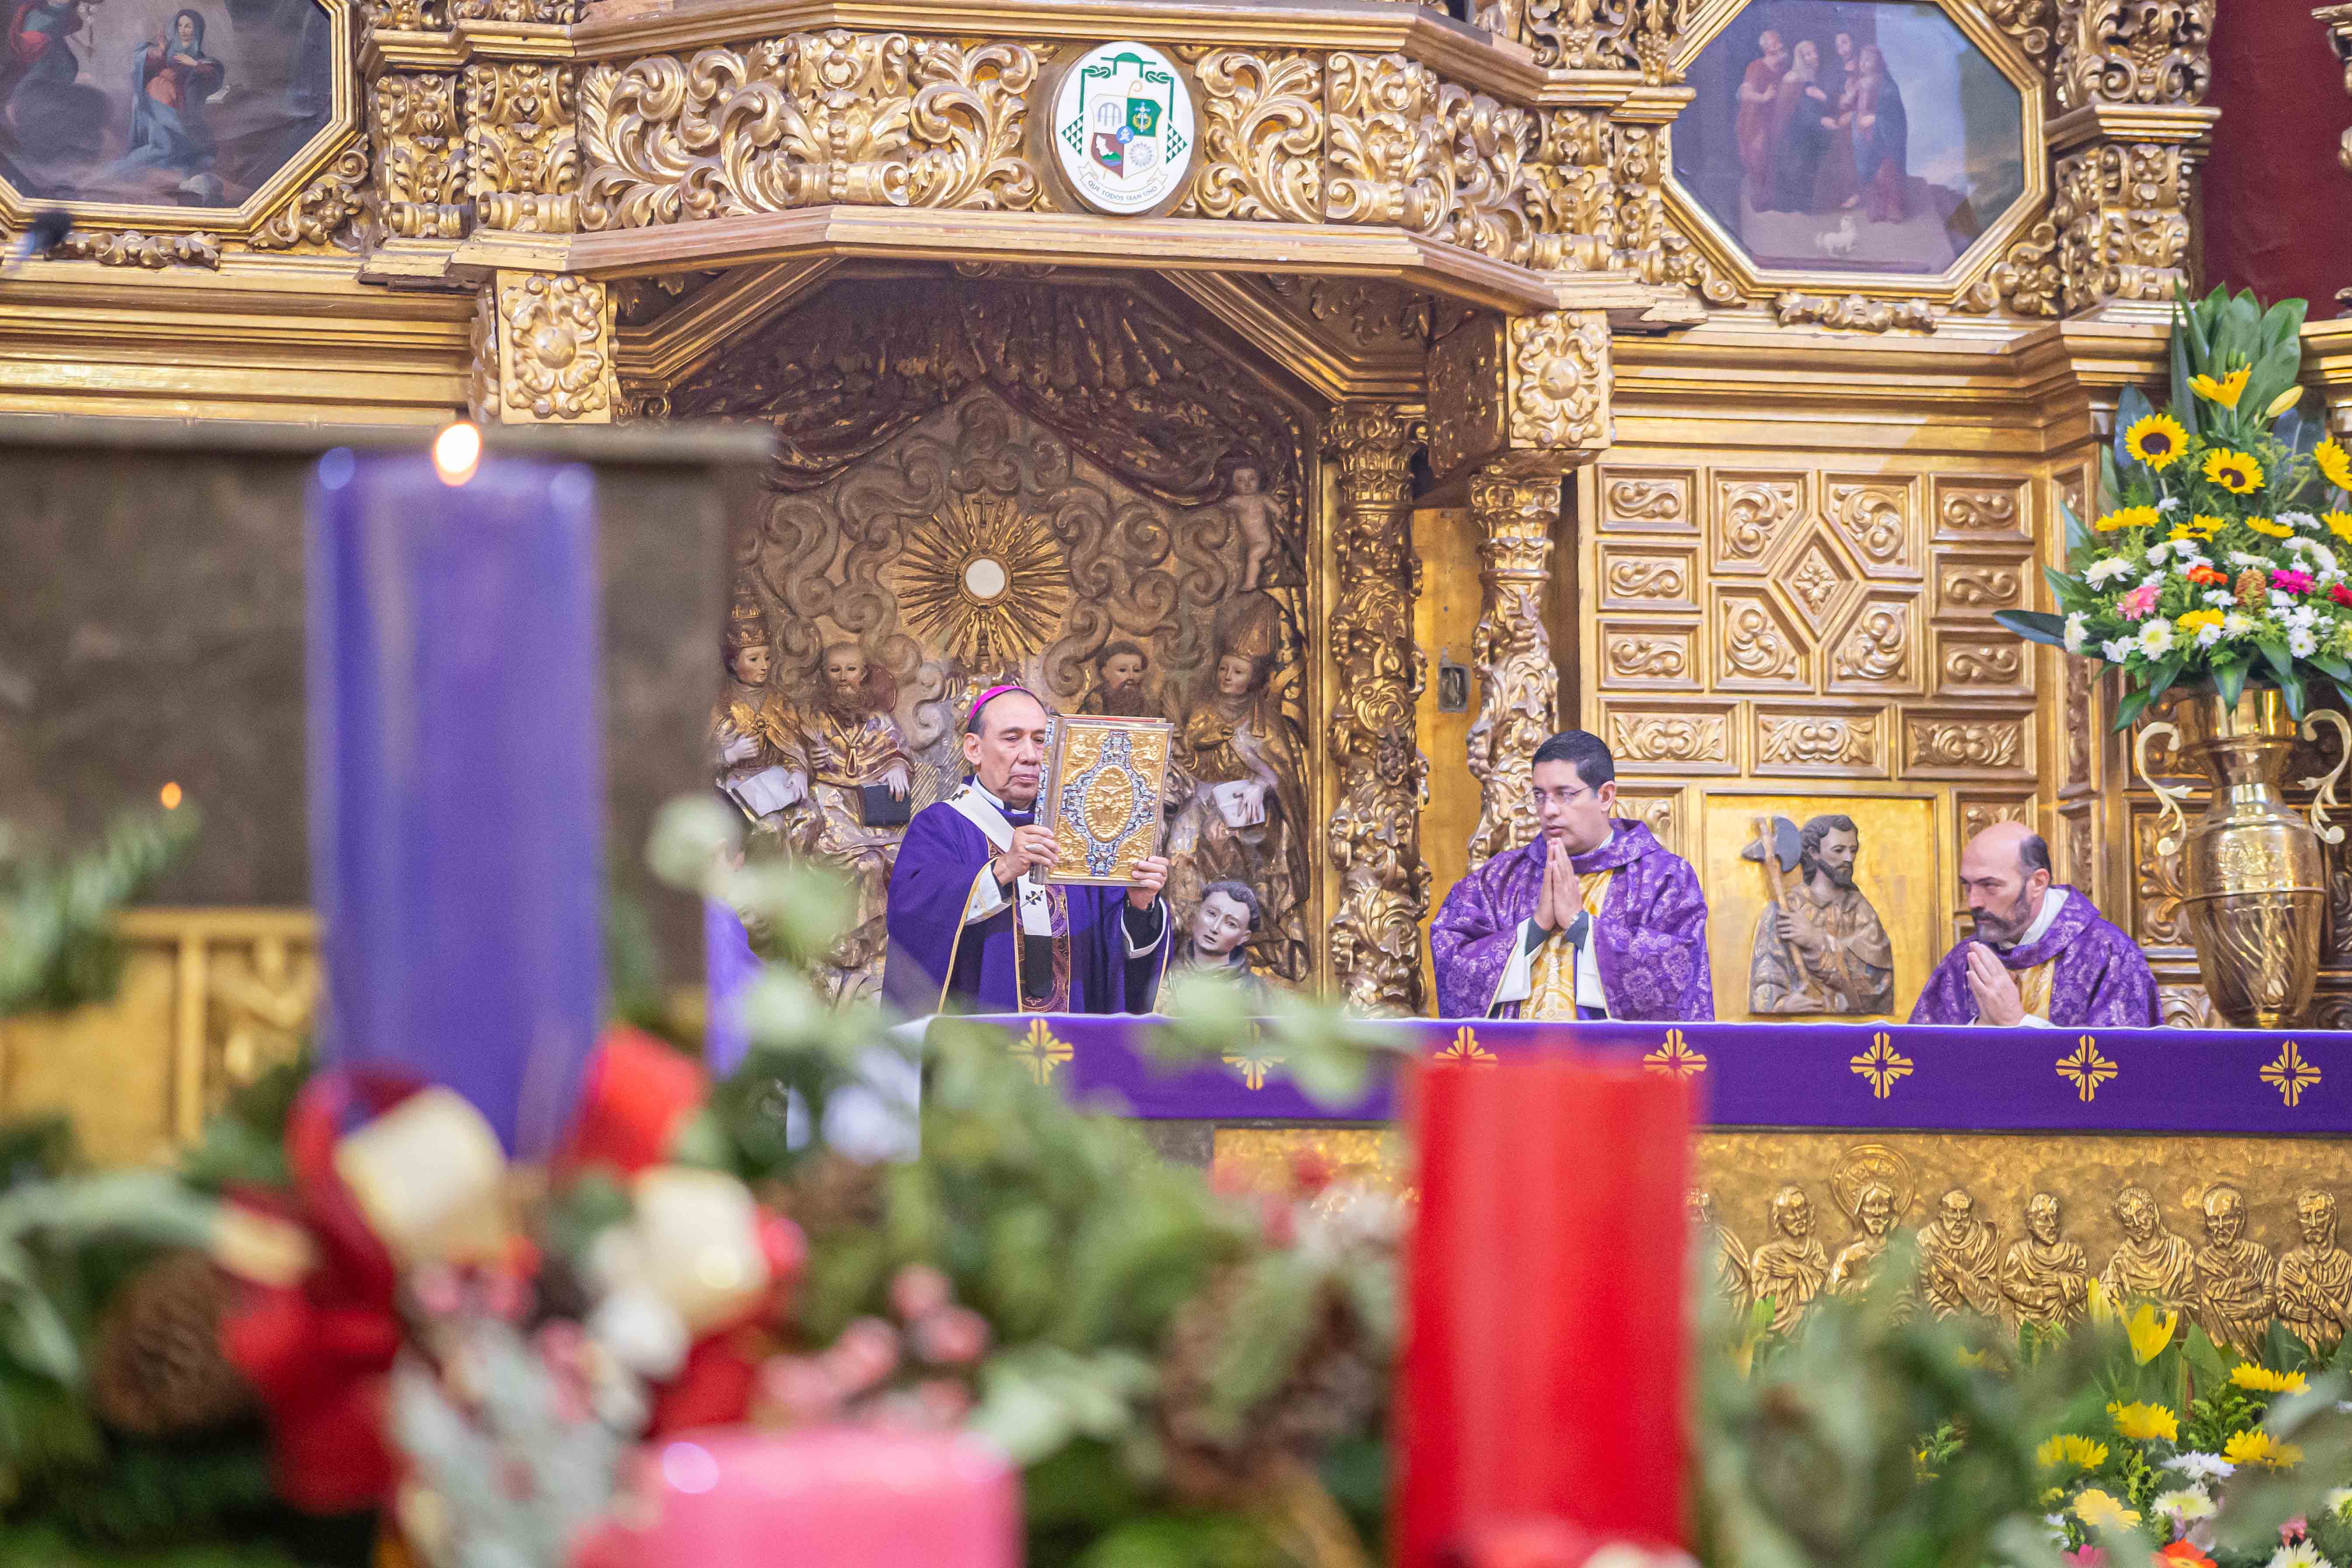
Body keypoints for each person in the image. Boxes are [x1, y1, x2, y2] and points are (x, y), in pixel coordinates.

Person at [882, 685, 1171, 1015]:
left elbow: (1113, 957)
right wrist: (1003, 870)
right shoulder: (942, 825)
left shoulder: (1080, 833)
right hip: (977, 1036)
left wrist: (1139, 906)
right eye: (1012, 738)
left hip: (1071, 1034)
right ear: (974, 749)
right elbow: (912, 917)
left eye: (1040, 740)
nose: (1031, 756)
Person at [1429, 729, 1713, 1021]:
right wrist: (1534, 929)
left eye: (1564, 795)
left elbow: (1680, 972)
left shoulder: (1664, 879)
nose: (1549, 810)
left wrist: (1581, 928)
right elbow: (1451, 955)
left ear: (1605, 796)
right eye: (1540, 796)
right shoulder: (1498, 879)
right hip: (1516, 1051)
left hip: (1614, 1051)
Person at [1907, 822, 2157, 1027]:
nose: (1973, 902)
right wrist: (1978, 1028)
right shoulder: (1964, 960)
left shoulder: (2109, 954)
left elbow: (2122, 1063)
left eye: (1989, 885)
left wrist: (2016, 1022)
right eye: (1968, 886)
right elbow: (1922, 1059)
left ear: (2038, 883)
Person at [1747, 813, 1895, 1014]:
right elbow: (1766, 978)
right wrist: (1782, 1005)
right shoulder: (1787, 909)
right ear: (1814, 853)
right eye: (1839, 850)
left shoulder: (1860, 909)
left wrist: (1816, 941)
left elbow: (1879, 982)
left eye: (1853, 851)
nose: (1848, 859)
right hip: (1796, 1030)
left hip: (1850, 1030)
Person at [118, 9, 222, 177]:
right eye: (180, 26)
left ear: (196, 30)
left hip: (175, 103)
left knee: (177, 147)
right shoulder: (168, 49)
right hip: (155, 98)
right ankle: (123, 168)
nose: (183, 30)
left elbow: (212, 73)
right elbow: (145, 61)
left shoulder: (198, 56)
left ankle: (129, 169)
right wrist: (161, 49)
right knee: (164, 146)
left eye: (188, 26)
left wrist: (194, 64)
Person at [1169, 880, 1273, 1000]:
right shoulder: (1163, 969)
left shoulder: (1259, 994)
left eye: (1231, 924)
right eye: (1211, 913)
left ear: (1244, 938)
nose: (1215, 928)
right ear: (1197, 912)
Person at [1769, 39, 1833, 215]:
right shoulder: (1794, 79)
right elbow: (1793, 110)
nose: (1815, 56)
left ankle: (1806, 205)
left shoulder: (1810, 77)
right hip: (1792, 133)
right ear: (1801, 59)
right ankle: (1795, 205)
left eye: (1815, 52)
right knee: (1798, 166)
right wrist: (1820, 119)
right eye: (1808, 54)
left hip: (1805, 130)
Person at [1850, 44, 1909, 224]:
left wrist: (1876, 119)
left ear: (1878, 63)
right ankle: (1875, 204)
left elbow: (1895, 114)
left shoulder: (1888, 86)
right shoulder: (1860, 82)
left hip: (1883, 133)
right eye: (1862, 59)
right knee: (1867, 167)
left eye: (1869, 60)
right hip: (1864, 133)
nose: (1863, 63)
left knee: (1887, 168)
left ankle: (1893, 205)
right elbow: (1849, 104)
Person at [1735, 29, 1789, 211]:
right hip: (1755, 120)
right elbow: (1745, 93)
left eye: (1779, 40)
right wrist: (1764, 97)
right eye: (1774, 42)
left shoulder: (1782, 68)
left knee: (1773, 158)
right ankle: (1760, 202)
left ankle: (1772, 199)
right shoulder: (1757, 67)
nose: (1779, 44)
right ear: (1766, 48)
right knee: (1758, 158)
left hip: (1773, 119)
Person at [1077, 641, 1158, 718]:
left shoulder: (1146, 706)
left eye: (1137, 670)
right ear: (1105, 672)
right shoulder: (1092, 705)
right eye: (1122, 670)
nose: (1131, 677)